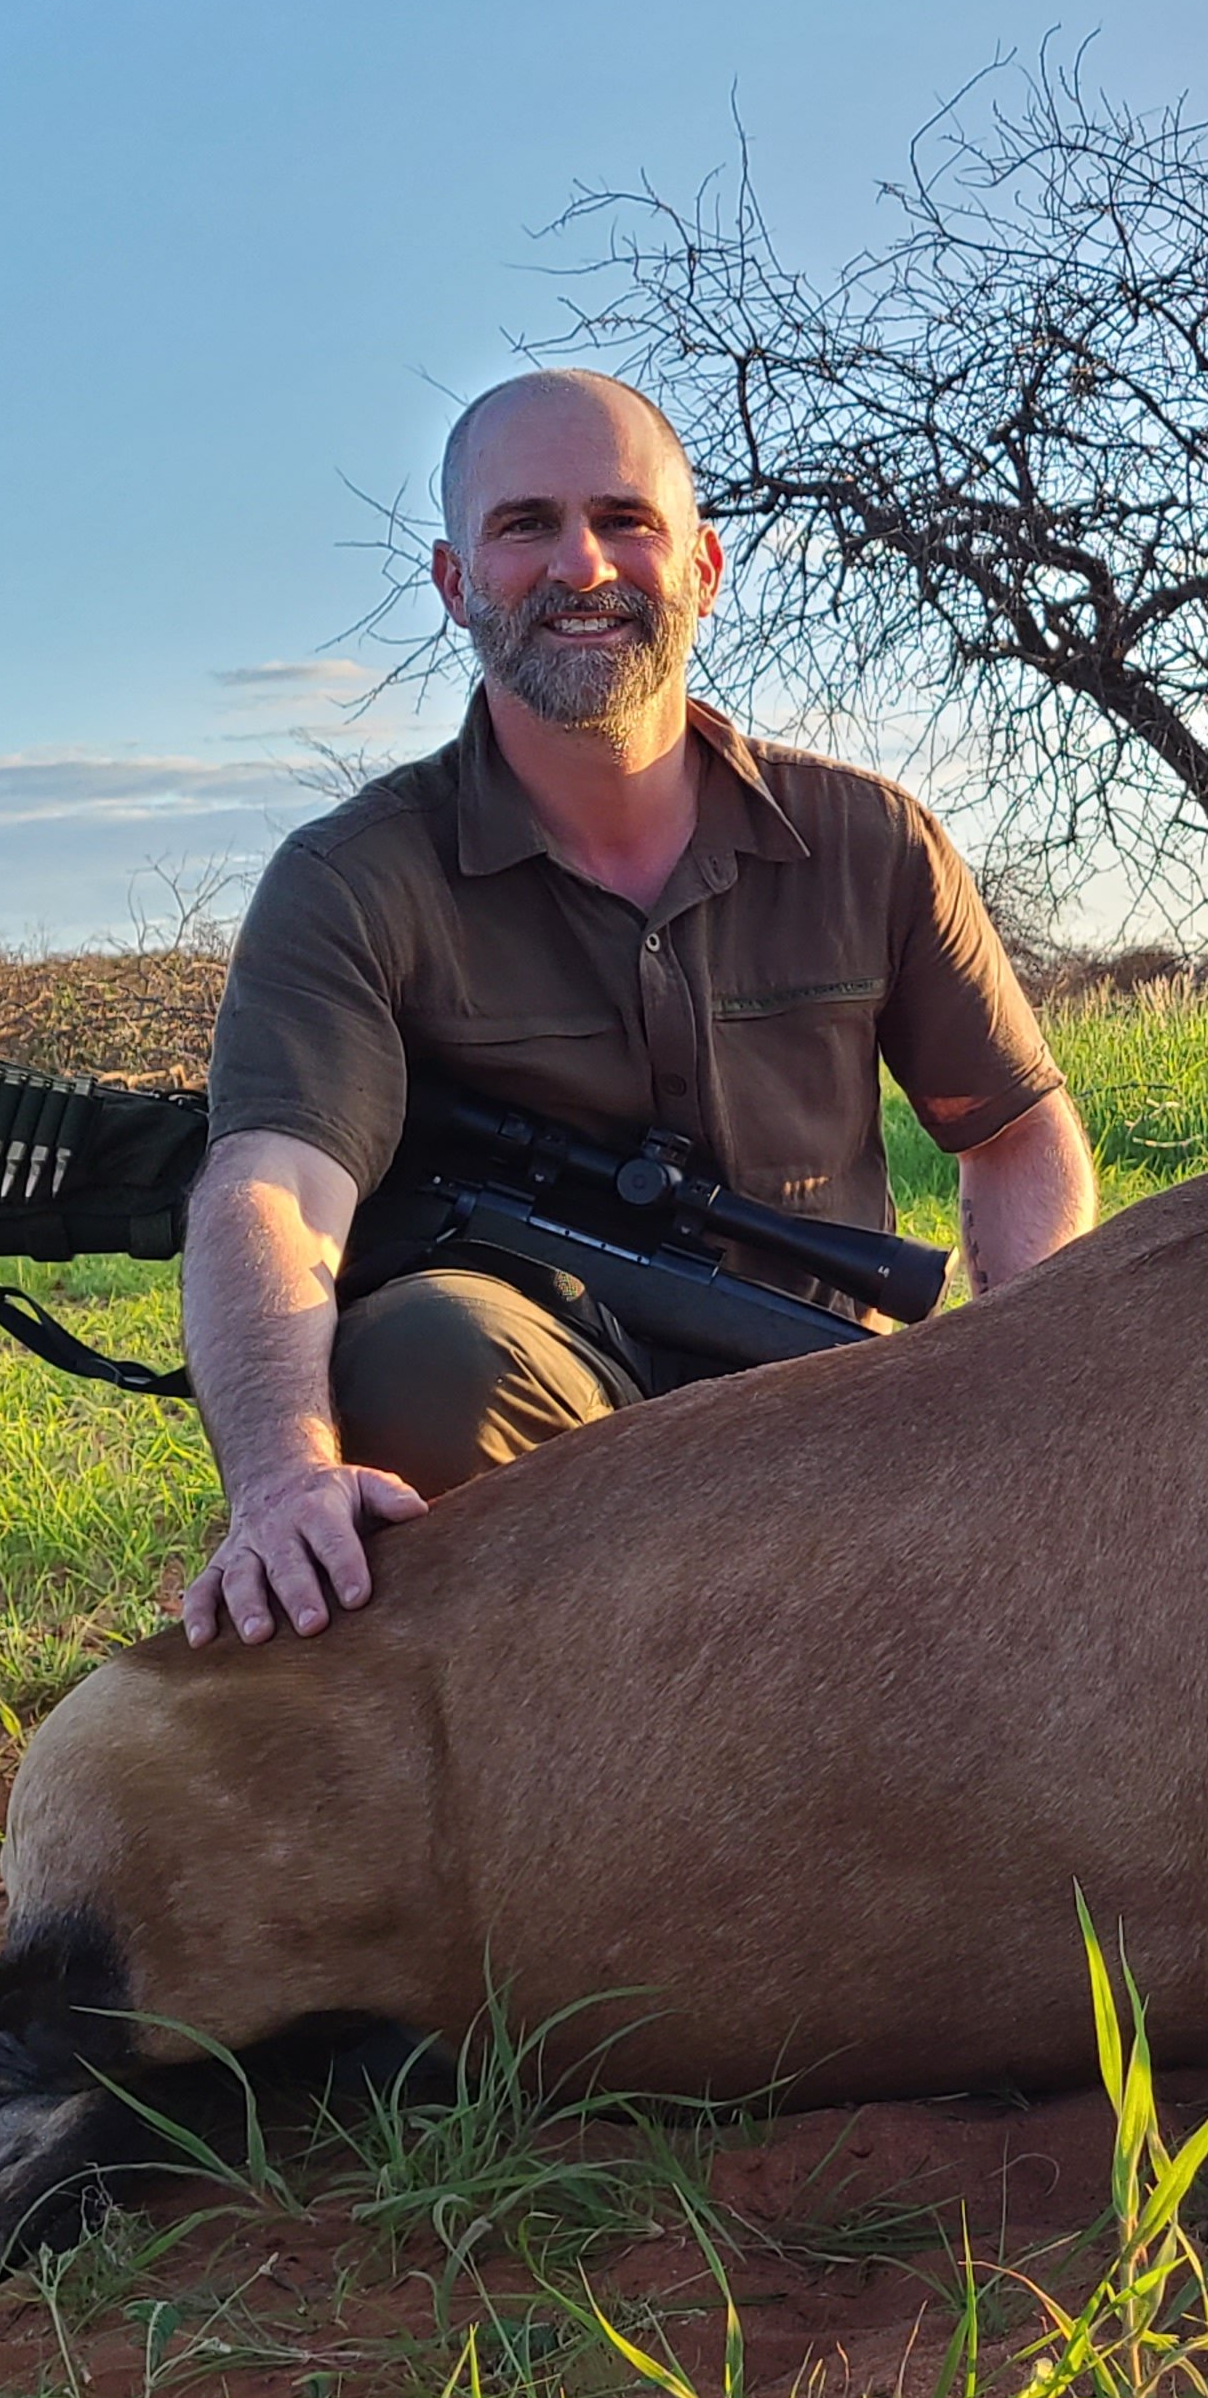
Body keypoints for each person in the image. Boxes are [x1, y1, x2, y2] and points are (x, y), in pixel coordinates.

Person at [177, 370, 1095, 1648]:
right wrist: (279, 1475)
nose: (582, 564)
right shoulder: (349, 881)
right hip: (549, 1412)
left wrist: (1016, 1389)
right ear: (453, 584)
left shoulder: (872, 839)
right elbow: (271, 1186)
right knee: (418, 1358)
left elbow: (1011, 1133)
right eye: (524, 526)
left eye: (626, 519)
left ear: (703, 567)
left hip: (832, 1396)